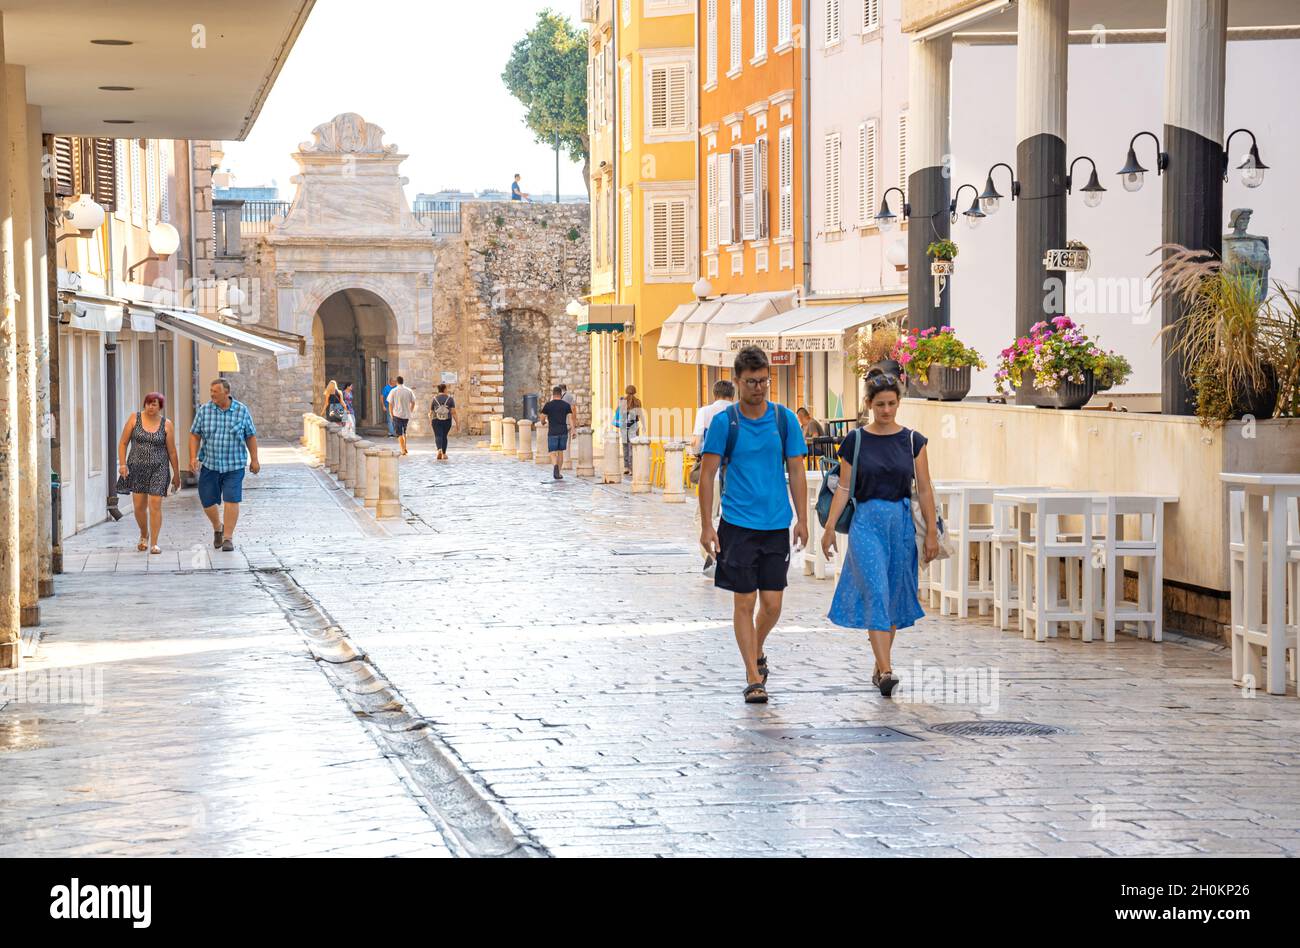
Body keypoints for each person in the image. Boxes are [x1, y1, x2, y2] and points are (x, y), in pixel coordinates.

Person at [698, 347, 808, 704]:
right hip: (738, 523)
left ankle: (755, 648)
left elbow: (796, 471)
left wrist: (803, 518)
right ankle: (752, 675)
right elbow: (709, 474)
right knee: (744, 601)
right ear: (737, 382)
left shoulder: (784, 419)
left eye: (764, 381)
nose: (759, 388)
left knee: (773, 604)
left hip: (776, 523)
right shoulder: (724, 423)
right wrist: (706, 526)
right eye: (751, 382)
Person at [819, 372, 939, 698]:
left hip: (901, 524)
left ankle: (880, 661)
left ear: (899, 402)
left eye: (892, 404)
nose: (886, 410)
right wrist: (829, 528)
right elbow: (843, 487)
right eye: (880, 404)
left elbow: (925, 489)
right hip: (867, 523)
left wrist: (931, 535)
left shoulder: (914, 441)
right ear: (869, 404)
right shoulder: (855, 441)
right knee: (876, 591)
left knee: (894, 596)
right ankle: (886, 670)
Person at [190, 379, 260, 553]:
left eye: (216, 391)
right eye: (211, 391)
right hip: (210, 463)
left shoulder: (241, 411)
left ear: (227, 392)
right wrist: (193, 457)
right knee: (207, 501)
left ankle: (228, 538)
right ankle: (218, 527)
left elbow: (250, 436)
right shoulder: (204, 411)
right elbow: (194, 435)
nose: (212, 394)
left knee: (231, 498)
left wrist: (255, 459)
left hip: (234, 464)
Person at [115, 392, 181, 554]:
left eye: (154, 404)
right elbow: (123, 443)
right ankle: (144, 534)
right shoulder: (134, 419)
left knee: (155, 504)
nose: (150, 407)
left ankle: (155, 543)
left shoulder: (167, 424)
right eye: (148, 403)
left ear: (160, 407)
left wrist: (177, 474)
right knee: (138, 506)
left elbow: (172, 451)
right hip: (136, 468)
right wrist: (122, 464)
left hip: (159, 468)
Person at [691, 379, 737, 575]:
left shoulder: (705, 412)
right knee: (732, 516)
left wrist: (695, 453)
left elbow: (696, 442)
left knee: (703, 516)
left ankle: (711, 555)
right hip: (736, 473)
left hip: (713, 472)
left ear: (714, 394)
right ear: (732, 395)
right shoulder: (740, 412)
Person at [540, 385, 574, 480]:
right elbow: (571, 418)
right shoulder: (566, 405)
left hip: (553, 431)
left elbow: (542, 417)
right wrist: (573, 430)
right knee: (560, 452)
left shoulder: (548, 405)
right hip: (563, 431)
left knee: (552, 452)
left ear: (553, 394)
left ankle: (555, 466)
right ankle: (558, 472)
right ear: (561, 394)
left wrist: (543, 422)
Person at [429, 383, 458, 461]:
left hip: (436, 420)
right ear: (445, 389)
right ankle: (444, 454)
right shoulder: (450, 399)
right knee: (444, 436)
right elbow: (453, 412)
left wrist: (430, 421)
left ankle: (439, 449)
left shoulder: (434, 399)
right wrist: (457, 423)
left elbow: (431, 412)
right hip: (447, 420)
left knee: (438, 435)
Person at [621, 385, 642, 474]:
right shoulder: (638, 401)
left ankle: (626, 467)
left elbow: (620, 414)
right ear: (635, 391)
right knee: (632, 447)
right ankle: (632, 468)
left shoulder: (623, 401)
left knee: (625, 447)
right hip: (634, 426)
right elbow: (640, 414)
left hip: (624, 427)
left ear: (626, 391)